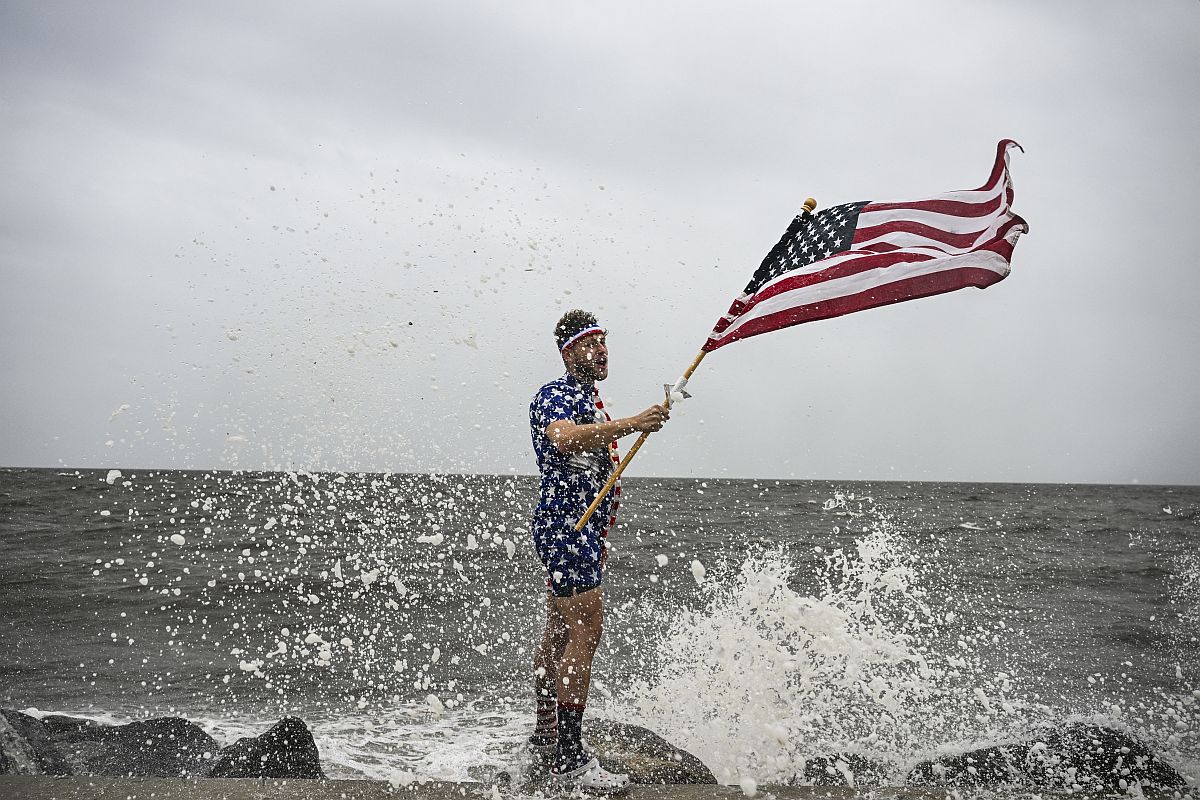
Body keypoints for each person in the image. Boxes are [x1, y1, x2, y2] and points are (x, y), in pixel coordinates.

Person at [527, 310, 669, 791]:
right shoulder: (557, 394)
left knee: (560, 627)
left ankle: (545, 734)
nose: (602, 350)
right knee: (586, 629)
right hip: (567, 527)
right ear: (569, 353)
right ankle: (569, 755)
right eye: (591, 344)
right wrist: (633, 423)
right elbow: (562, 438)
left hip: (581, 530)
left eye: (604, 342)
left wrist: (632, 427)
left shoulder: (590, 399)